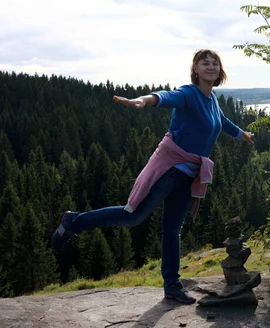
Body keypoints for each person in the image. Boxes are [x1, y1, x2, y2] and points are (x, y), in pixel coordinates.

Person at [51, 49, 254, 304]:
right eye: (205, 63)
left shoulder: (211, 99)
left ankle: (172, 286)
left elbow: (222, 121)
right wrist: (144, 101)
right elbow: (167, 97)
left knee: (172, 229)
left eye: (215, 63)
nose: (211, 66)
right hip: (170, 167)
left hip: (189, 173)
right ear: (195, 69)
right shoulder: (188, 93)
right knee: (132, 215)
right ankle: (73, 221)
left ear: (220, 70)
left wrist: (241, 135)